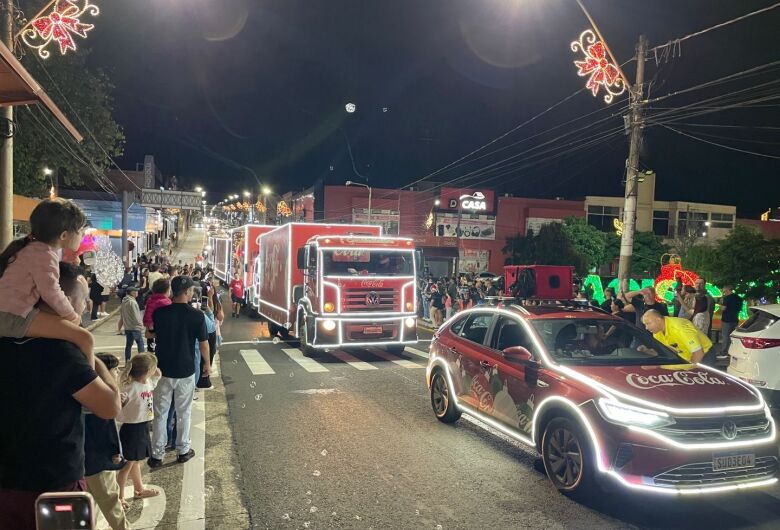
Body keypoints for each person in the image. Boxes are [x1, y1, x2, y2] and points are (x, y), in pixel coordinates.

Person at [0, 262, 121, 529]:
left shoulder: (5, 343)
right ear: (62, 299)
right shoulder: (62, 353)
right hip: (55, 485)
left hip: (6, 486)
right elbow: (110, 406)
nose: (86, 306)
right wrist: (95, 360)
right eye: (83, 298)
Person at [0, 198, 94, 365]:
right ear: (64, 235)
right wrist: (72, 315)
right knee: (84, 337)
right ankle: (89, 378)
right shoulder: (44, 255)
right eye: (81, 231)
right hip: (12, 317)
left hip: (10, 313)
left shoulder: (33, 248)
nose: (83, 235)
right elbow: (51, 292)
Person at [148, 276, 210, 468]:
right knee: (184, 413)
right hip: (185, 369)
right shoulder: (197, 315)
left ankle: (157, 455)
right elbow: (204, 344)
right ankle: (183, 450)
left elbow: (151, 333)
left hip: (162, 370)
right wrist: (207, 364)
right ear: (187, 292)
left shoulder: (160, 313)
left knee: (160, 413)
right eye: (191, 290)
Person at [85, 353, 131, 530]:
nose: (117, 373)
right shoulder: (101, 401)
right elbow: (104, 431)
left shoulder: (86, 396)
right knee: (111, 502)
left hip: (85, 461)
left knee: (91, 501)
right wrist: (115, 453)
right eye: (115, 369)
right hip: (98, 461)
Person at [116, 353, 161, 506]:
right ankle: (120, 497)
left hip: (142, 426)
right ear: (148, 371)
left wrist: (155, 371)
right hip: (132, 429)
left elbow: (156, 378)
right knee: (126, 466)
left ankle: (139, 489)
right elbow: (118, 407)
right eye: (153, 368)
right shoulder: (130, 388)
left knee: (135, 462)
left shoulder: (146, 382)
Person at [641, 309, 713, 364]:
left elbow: (698, 352)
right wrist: (646, 351)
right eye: (645, 324)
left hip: (704, 355)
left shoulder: (679, 327)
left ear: (658, 320)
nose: (646, 328)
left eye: (648, 323)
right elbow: (666, 352)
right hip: (685, 357)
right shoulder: (657, 332)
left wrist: (688, 370)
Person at [144, 278, 172, 353]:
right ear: (167, 290)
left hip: (151, 327)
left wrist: (149, 325)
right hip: (163, 333)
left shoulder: (150, 300)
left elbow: (147, 314)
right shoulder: (166, 302)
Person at [119, 284, 145, 361]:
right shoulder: (132, 302)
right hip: (135, 326)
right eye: (136, 291)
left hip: (127, 326)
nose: (137, 293)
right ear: (132, 293)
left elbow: (122, 314)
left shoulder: (124, 301)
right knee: (140, 343)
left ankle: (127, 360)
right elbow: (136, 315)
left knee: (128, 345)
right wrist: (140, 324)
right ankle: (142, 360)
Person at [718, 285, 743, 357]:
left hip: (726, 320)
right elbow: (739, 308)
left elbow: (723, 308)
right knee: (732, 336)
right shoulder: (738, 298)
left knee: (725, 336)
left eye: (724, 291)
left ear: (727, 290)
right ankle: (731, 351)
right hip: (735, 319)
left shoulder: (726, 298)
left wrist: (720, 305)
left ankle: (724, 352)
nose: (724, 293)